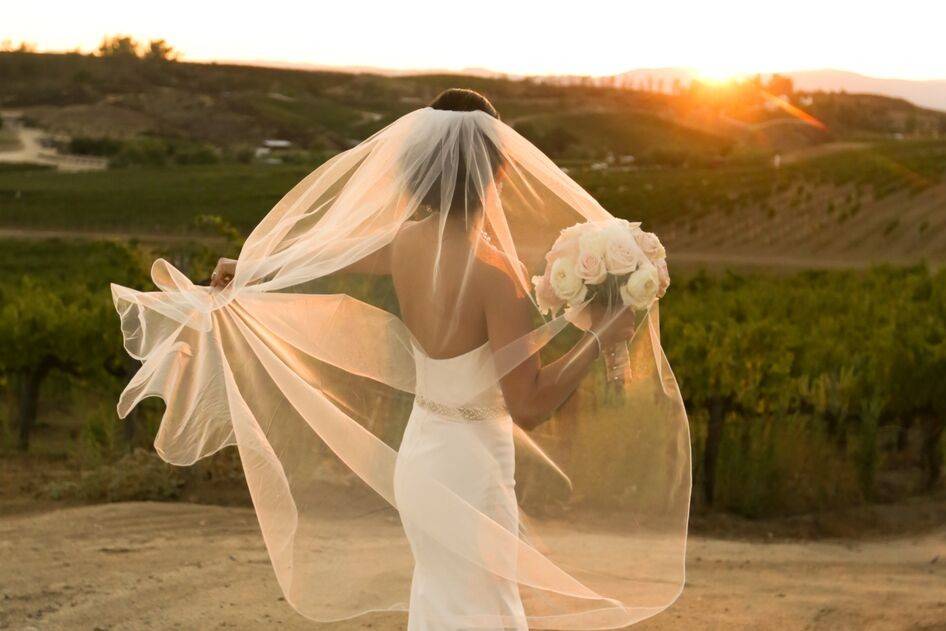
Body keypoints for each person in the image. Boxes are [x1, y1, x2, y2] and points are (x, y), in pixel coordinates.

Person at [115, 88, 690, 630]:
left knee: (444, 599)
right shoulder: (496, 276)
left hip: (422, 453)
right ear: (498, 171)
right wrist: (600, 333)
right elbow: (530, 405)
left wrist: (252, 270)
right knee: (480, 606)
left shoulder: (402, 243)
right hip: (472, 468)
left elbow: (324, 258)